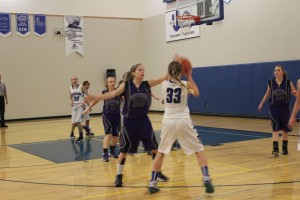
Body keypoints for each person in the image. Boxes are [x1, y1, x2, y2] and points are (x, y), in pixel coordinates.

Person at [84, 63, 169, 187]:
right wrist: (94, 96)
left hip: (144, 122)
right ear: (133, 72)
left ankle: (158, 172)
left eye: (144, 69)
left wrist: (173, 65)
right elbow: (111, 94)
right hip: (130, 123)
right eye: (140, 70)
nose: (143, 71)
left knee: (155, 149)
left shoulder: (146, 84)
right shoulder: (126, 86)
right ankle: (118, 176)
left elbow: (163, 78)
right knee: (124, 151)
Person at [148, 59, 214, 194]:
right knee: (199, 150)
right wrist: (189, 75)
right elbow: (197, 93)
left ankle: (153, 182)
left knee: (160, 153)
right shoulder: (186, 84)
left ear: (169, 72)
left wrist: (173, 64)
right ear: (181, 72)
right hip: (183, 120)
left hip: (168, 121)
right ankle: (206, 177)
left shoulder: (164, 84)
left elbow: (167, 77)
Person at [258, 65, 297, 156]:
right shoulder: (271, 82)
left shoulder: (288, 82)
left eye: (278, 70)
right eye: (275, 70)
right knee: (275, 128)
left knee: (285, 129)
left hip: (285, 108)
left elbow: (295, 92)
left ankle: (284, 148)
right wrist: (261, 103)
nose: (276, 71)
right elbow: (267, 94)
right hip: (274, 108)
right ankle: (275, 149)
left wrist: (296, 94)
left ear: (282, 72)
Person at [101, 76, 121, 162]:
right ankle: (105, 154)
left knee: (116, 135)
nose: (112, 83)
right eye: (110, 82)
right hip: (107, 115)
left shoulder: (119, 92)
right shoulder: (104, 92)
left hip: (117, 115)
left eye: (113, 81)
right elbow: (97, 99)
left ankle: (112, 151)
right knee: (108, 134)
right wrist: (88, 107)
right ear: (107, 83)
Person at [69, 76, 89, 143]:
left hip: (81, 105)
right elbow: (71, 95)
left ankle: (81, 137)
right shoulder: (70, 88)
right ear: (71, 80)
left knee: (78, 121)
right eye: (73, 79)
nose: (74, 80)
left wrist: (84, 101)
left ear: (77, 80)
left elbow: (88, 95)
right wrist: (71, 101)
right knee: (74, 122)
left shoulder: (81, 87)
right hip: (74, 106)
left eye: (75, 79)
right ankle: (85, 128)